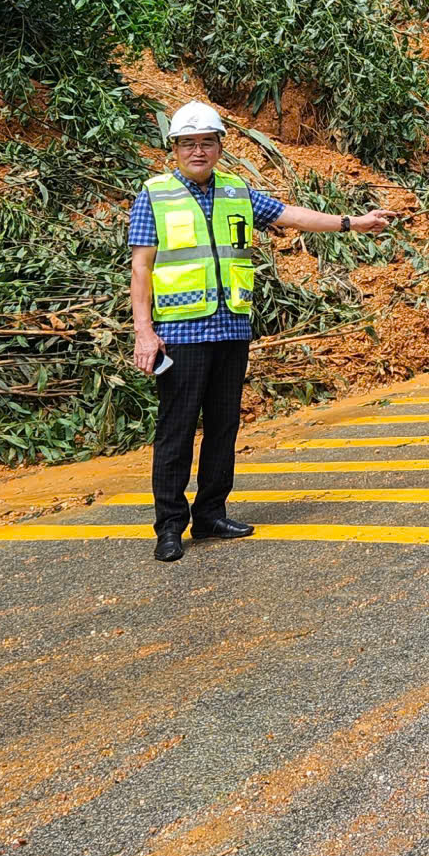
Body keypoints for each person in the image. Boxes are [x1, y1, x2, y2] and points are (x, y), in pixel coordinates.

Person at [129, 100, 395, 563]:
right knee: (175, 430)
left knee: (224, 426)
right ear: (173, 148)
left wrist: (353, 223)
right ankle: (170, 525)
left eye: (207, 142)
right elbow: (141, 269)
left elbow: (292, 215)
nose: (198, 151)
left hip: (231, 329)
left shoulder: (238, 192)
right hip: (181, 334)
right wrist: (143, 332)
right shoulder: (154, 195)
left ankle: (210, 513)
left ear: (219, 147)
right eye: (188, 143)